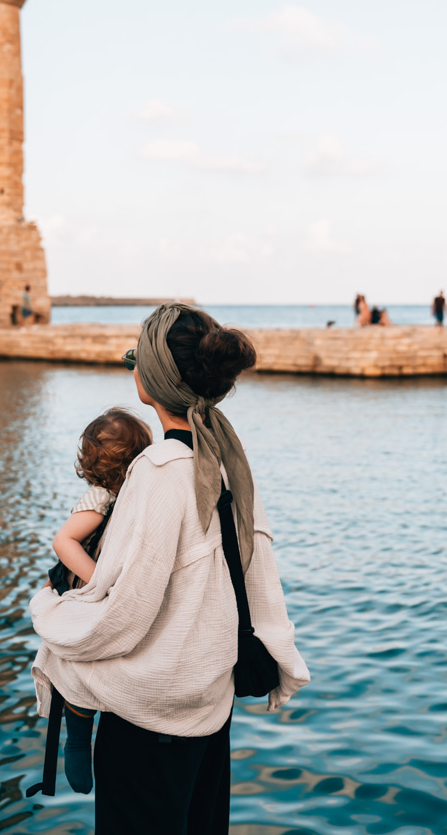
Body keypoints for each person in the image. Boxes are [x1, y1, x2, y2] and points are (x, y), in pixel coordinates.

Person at [29, 304, 310, 834]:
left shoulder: (158, 469)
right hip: (209, 705)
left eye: (135, 357)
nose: (131, 366)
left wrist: (47, 606)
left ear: (154, 377)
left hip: (151, 719)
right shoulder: (225, 460)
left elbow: (123, 612)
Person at [45, 408, 153, 793]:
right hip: (83, 581)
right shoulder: (101, 496)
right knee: (80, 663)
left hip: (97, 581)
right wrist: (100, 583)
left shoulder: (138, 497)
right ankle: (77, 740)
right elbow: (64, 542)